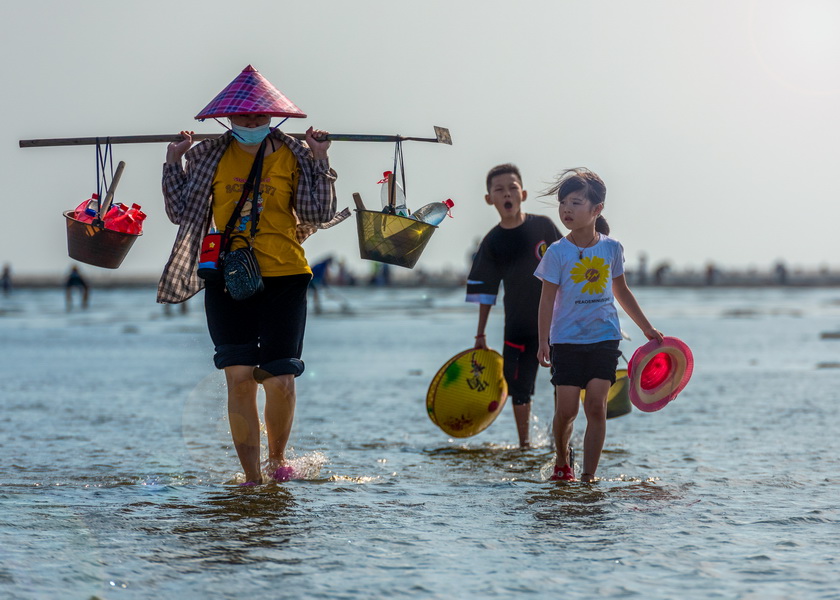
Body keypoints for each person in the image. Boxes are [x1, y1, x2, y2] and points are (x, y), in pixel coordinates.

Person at [158, 66, 347, 485]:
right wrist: (173, 162)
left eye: (258, 116)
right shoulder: (206, 156)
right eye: (242, 116)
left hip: (285, 274)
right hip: (227, 276)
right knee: (239, 378)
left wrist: (320, 158)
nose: (250, 122)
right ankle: (251, 478)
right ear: (228, 118)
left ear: (272, 117)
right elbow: (178, 212)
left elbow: (318, 213)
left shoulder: (294, 153)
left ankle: (277, 463)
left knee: (279, 377)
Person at [535, 168, 663, 482]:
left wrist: (646, 328)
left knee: (595, 406)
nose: (567, 208)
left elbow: (621, 291)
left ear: (597, 210)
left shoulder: (611, 249)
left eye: (576, 203)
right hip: (565, 340)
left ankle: (589, 475)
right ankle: (562, 461)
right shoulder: (556, 253)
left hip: (605, 338)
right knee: (567, 410)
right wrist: (542, 341)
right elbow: (546, 300)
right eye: (563, 202)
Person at [466, 164, 562, 448]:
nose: (507, 194)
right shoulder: (492, 242)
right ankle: (524, 445)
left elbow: (571, 264)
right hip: (518, 326)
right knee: (519, 389)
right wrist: (480, 334)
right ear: (489, 199)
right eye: (499, 189)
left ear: (523, 193)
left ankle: (561, 438)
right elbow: (485, 292)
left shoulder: (543, 226)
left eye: (512, 188)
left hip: (558, 323)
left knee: (564, 382)